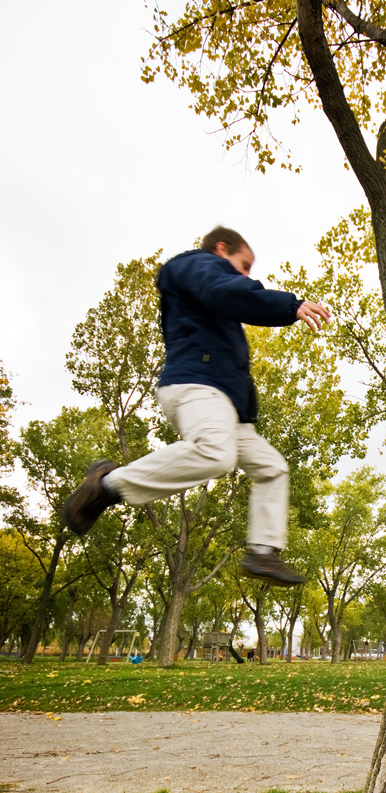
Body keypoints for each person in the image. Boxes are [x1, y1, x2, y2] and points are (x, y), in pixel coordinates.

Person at [63, 227, 331, 585]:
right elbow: (226, 290)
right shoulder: (197, 266)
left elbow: (228, 304)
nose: (246, 275)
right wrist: (289, 305)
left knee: (272, 467)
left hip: (226, 406)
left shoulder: (217, 296)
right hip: (196, 386)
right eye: (243, 264)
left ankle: (263, 552)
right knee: (215, 455)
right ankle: (108, 485)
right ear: (221, 249)